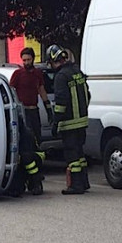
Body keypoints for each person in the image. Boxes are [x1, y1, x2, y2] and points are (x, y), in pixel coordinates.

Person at [46, 44, 90, 195]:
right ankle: (84, 182)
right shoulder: (77, 72)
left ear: (53, 61)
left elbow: (61, 102)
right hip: (82, 121)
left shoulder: (61, 76)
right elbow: (88, 95)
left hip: (69, 123)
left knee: (72, 156)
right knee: (80, 153)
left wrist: (56, 122)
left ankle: (76, 185)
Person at [9, 47, 52, 144]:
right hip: (23, 110)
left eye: (28, 60)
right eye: (24, 60)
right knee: (27, 138)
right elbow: (11, 90)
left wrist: (48, 108)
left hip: (34, 110)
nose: (26, 62)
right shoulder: (18, 74)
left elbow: (41, 90)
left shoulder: (37, 73)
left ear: (33, 59)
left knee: (37, 136)